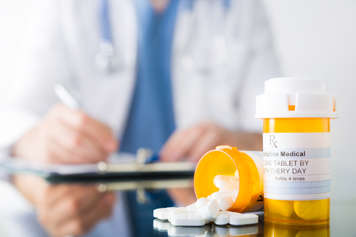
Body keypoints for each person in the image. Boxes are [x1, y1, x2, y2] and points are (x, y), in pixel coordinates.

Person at [0, 0, 280, 236]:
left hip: (208, 219)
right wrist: (34, 141)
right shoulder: (66, 7)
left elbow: (278, 132)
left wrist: (238, 143)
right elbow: (14, 121)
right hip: (96, 223)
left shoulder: (240, 8)